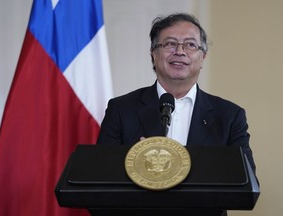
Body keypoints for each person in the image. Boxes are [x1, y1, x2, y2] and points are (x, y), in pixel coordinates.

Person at [96, 13, 257, 216]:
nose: (180, 51)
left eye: (190, 45)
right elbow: (99, 184)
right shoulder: (121, 109)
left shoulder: (230, 115)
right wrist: (138, 163)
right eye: (170, 44)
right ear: (153, 53)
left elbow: (245, 184)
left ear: (203, 56)